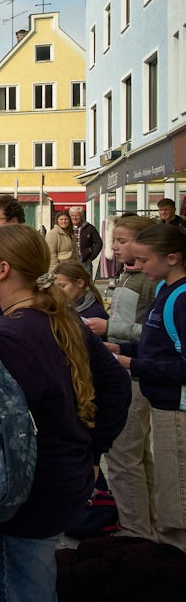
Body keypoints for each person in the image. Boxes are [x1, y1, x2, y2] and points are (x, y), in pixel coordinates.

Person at [0, 224, 130, 598]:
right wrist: (93, 451)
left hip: (27, 498)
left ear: (3, 269)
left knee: (17, 585)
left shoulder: (10, 337)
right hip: (62, 480)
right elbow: (116, 385)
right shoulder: (59, 316)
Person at [83, 214, 157, 540]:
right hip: (126, 364)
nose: (115, 247)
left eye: (122, 241)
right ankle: (147, 520)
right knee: (136, 455)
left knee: (126, 455)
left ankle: (135, 530)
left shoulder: (150, 282)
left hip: (134, 375)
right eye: (114, 240)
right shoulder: (127, 276)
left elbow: (152, 333)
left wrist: (111, 329)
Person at [113, 223, 186, 551]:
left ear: (172, 258)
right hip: (164, 405)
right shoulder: (165, 291)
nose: (137, 266)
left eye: (144, 260)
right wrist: (121, 350)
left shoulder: (181, 298)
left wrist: (132, 364)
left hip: (176, 409)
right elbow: (159, 347)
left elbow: (179, 366)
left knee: (177, 507)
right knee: (169, 496)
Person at [55, 260, 109, 325]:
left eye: (62, 286)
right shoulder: (61, 309)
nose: (57, 291)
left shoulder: (95, 313)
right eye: (55, 287)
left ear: (80, 283)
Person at [69, 205, 103, 277]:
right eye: (72, 215)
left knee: (86, 282)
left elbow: (98, 243)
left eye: (77, 215)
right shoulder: (67, 228)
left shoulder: (89, 228)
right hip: (69, 259)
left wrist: (91, 256)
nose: (74, 217)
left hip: (84, 259)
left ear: (81, 216)